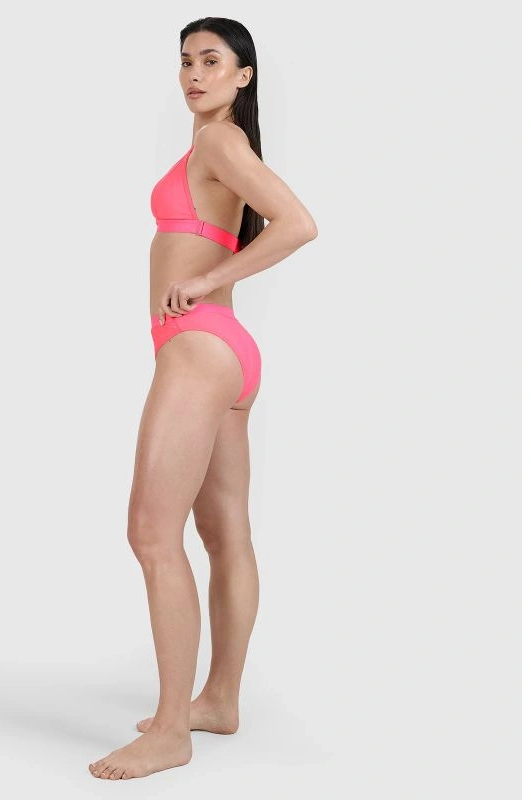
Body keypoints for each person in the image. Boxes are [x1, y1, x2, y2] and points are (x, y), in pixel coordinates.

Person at [89, 16, 317, 781]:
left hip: (198, 349)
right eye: (185, 61)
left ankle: (170, 733)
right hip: (227, 355)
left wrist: (207, 280)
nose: (194, 74)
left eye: (211, 61)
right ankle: (218, 700)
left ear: (243, 75)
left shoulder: (220, 140)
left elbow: (298, 224)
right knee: (225, 535)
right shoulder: (213, 146)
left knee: (152, 535)